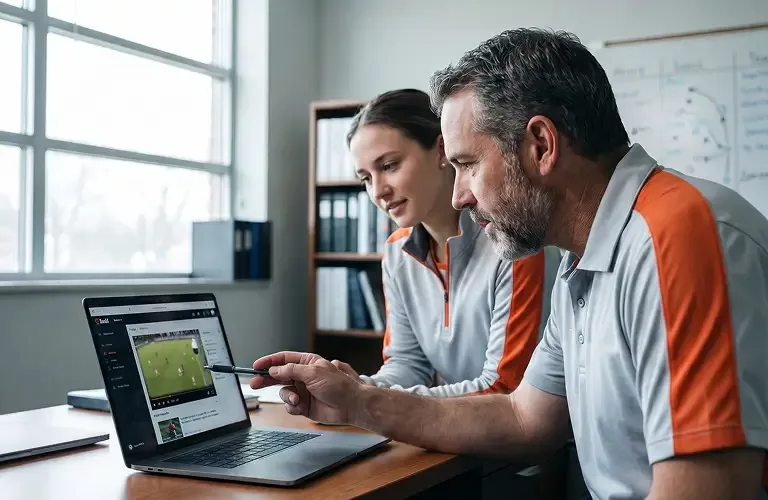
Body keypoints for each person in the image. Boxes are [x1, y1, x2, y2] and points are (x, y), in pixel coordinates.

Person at [251, 28, 768, 500]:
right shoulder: (583, 260)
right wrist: (358, 401)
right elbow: (524, 418)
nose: (459, 197)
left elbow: (708, 490)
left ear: (541, 145)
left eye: (468, 165)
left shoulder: (679, 237)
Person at [340, 88, 560, 399]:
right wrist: (355, 389)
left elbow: (503, 387)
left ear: (442, 150)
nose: (378, 191)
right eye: (365, 178)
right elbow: (408, 364)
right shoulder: (396, 252)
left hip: (523, 439)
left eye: (389, 166)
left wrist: (371, 402)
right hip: (450, 435)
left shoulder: (514, 243)